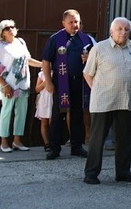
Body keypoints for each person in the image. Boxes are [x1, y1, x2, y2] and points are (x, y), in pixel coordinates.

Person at [82, 17, 131, 184]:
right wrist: (97, 89)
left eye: (126, 29)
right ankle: (91, 173)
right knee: (98, 140)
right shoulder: (99, 48)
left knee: (124, 139)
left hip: (127, 100)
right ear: (111, 31)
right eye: (119, 29)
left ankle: (123, 172)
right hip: (104, 101)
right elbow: (88, 73)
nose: (123, 32)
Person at [40, 9, 94, 159]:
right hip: (61, 82)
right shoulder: (55, 39)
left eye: (76, 21)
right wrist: (48, 82)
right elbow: (46, 60)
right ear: (63, 23)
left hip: (80, 82)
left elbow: (94, 59)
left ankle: (77, 147)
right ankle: (54, 148)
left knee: (77, 115)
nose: (74, 25)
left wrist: (88, 58)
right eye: (71, 22)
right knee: (59, 115)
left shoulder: (85, 39)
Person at [0, 20, 42, 153]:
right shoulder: (0, 47)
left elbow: (28, 60)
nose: (10, 29)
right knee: (6, 112)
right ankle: (3, 142)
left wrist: (43, 65)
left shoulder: (21, 42)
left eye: (12, 27)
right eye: (7, 28)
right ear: (2, 32)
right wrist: (5, 85)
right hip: (8, 84)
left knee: (21, 112)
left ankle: (17, 140)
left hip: (23, 84)